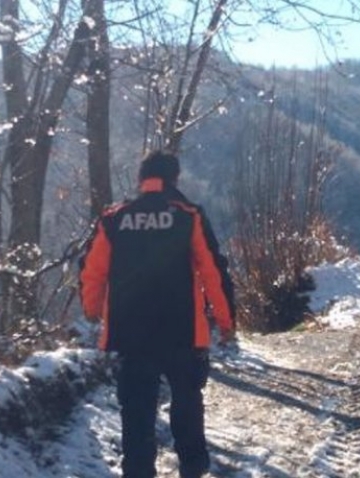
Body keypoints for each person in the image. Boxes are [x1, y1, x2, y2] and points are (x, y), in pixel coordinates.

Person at [79, 150, 235, 478]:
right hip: (182, 332)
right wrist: (225, 322)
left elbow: (93, 272)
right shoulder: (187, 216)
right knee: (187, 406)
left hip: (130, 333)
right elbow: (212, 272)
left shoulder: (114, 218)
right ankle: (192, 468)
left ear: (141, 180)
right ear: (174, 179)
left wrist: (92, 311)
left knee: (136, 414)